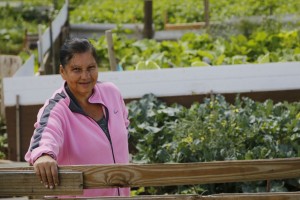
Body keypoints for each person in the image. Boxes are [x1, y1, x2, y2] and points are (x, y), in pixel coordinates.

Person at [24, 38, 130, 197]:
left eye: (91, 68)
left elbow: (124, 125)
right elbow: (45, 134)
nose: (85, 76)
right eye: (76, 69)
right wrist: (44, 155)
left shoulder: (112, 93)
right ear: (62, 72)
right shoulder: (57, 109)